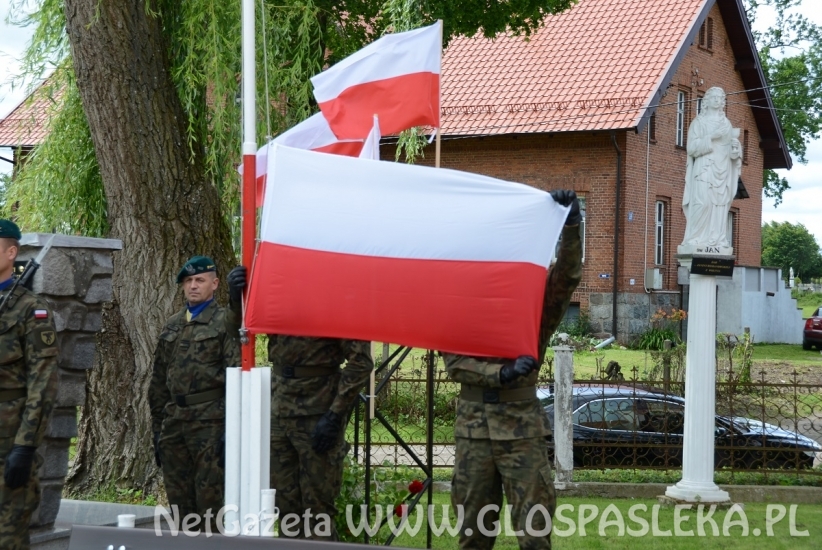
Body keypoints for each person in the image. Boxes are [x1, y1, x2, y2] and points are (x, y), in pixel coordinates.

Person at [443, 190, 583, 550]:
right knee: (472, 535)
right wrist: (499, 375)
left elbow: (566, 277)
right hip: (474, 431)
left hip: (521, 430)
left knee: (535, 535)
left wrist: (572, 225)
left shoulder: (532, 308)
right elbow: (455, 364)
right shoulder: (460, 308)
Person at [227, 266, 373, 541]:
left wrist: (335, 415)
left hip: (318, 412)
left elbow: (361, 362)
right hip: (280, 409)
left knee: (318, 510)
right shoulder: (278, 296)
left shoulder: (337, 301)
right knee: (284, 506)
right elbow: (240, 330)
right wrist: (237, 300)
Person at [150, 256, 240, 528]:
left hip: (210, 424)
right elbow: (158, 382)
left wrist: (230, 429)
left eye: (199, 280)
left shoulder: (225, 321)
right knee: (180, 503)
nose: (193, 286)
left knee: (211, 502)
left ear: (214, 284)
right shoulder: (173, 324)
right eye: (188, 281)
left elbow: (235, 374)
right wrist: (157, 428)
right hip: (175, 423)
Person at [0, 220, 59, 550]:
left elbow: (44, 382)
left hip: (7, 442)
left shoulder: (31, 310)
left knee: (7, 537)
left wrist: (25, 446)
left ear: (11, 253)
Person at [682, 87, 742, 248]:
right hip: (704, 167)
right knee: (702, 202)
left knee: (719, 205)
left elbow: (731, 151)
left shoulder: (726, 124)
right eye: (713, 97)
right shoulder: (698, 123)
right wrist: (711, 136)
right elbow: (692, 148)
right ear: (706, 101)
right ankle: (695, 238)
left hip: (722, 168)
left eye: (720, 97)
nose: (717, 100)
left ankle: (716, 239)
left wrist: (735, 150)